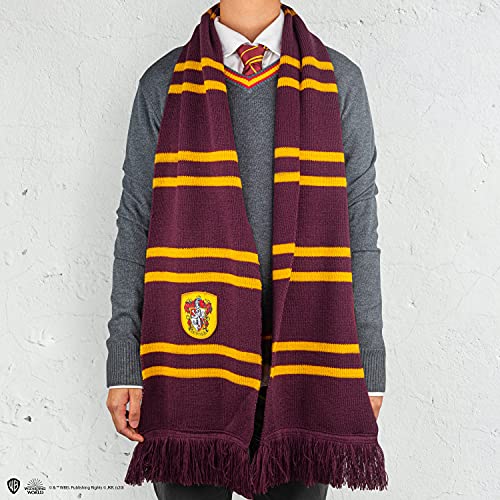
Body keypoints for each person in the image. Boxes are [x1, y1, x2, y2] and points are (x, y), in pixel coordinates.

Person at [105, 1, 386, 498]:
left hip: (306, 365)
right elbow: (136, 222)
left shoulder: (339, 81)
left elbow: (360, 231)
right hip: (188, 362)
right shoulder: (163, 83)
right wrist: (123, 358)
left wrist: (369, 363)